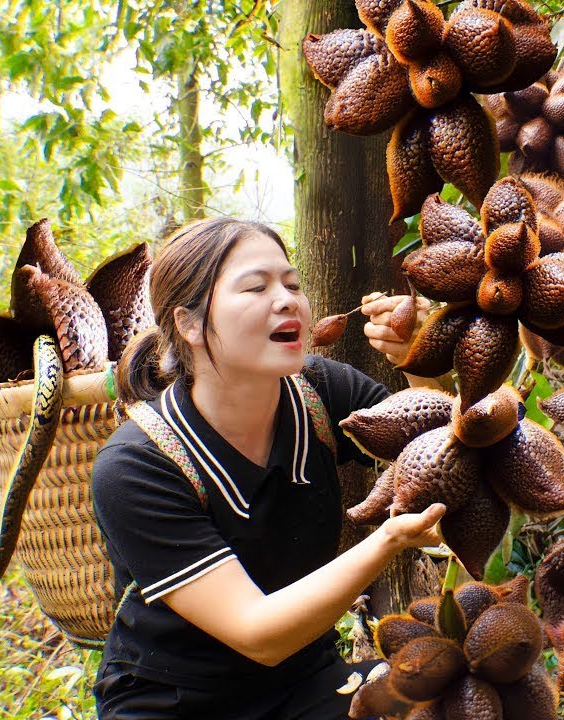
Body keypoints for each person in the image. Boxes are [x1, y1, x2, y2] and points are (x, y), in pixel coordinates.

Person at [91, 216, 443, 719]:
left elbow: (436, 458)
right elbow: (257, 633)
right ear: (188, 323)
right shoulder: (135, 467)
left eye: (292, 284)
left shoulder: (322, 394)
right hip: (175, 701)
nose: (287, 300)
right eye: (256, 287)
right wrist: (388, 538)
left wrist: (421, 362)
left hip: (305, 679)